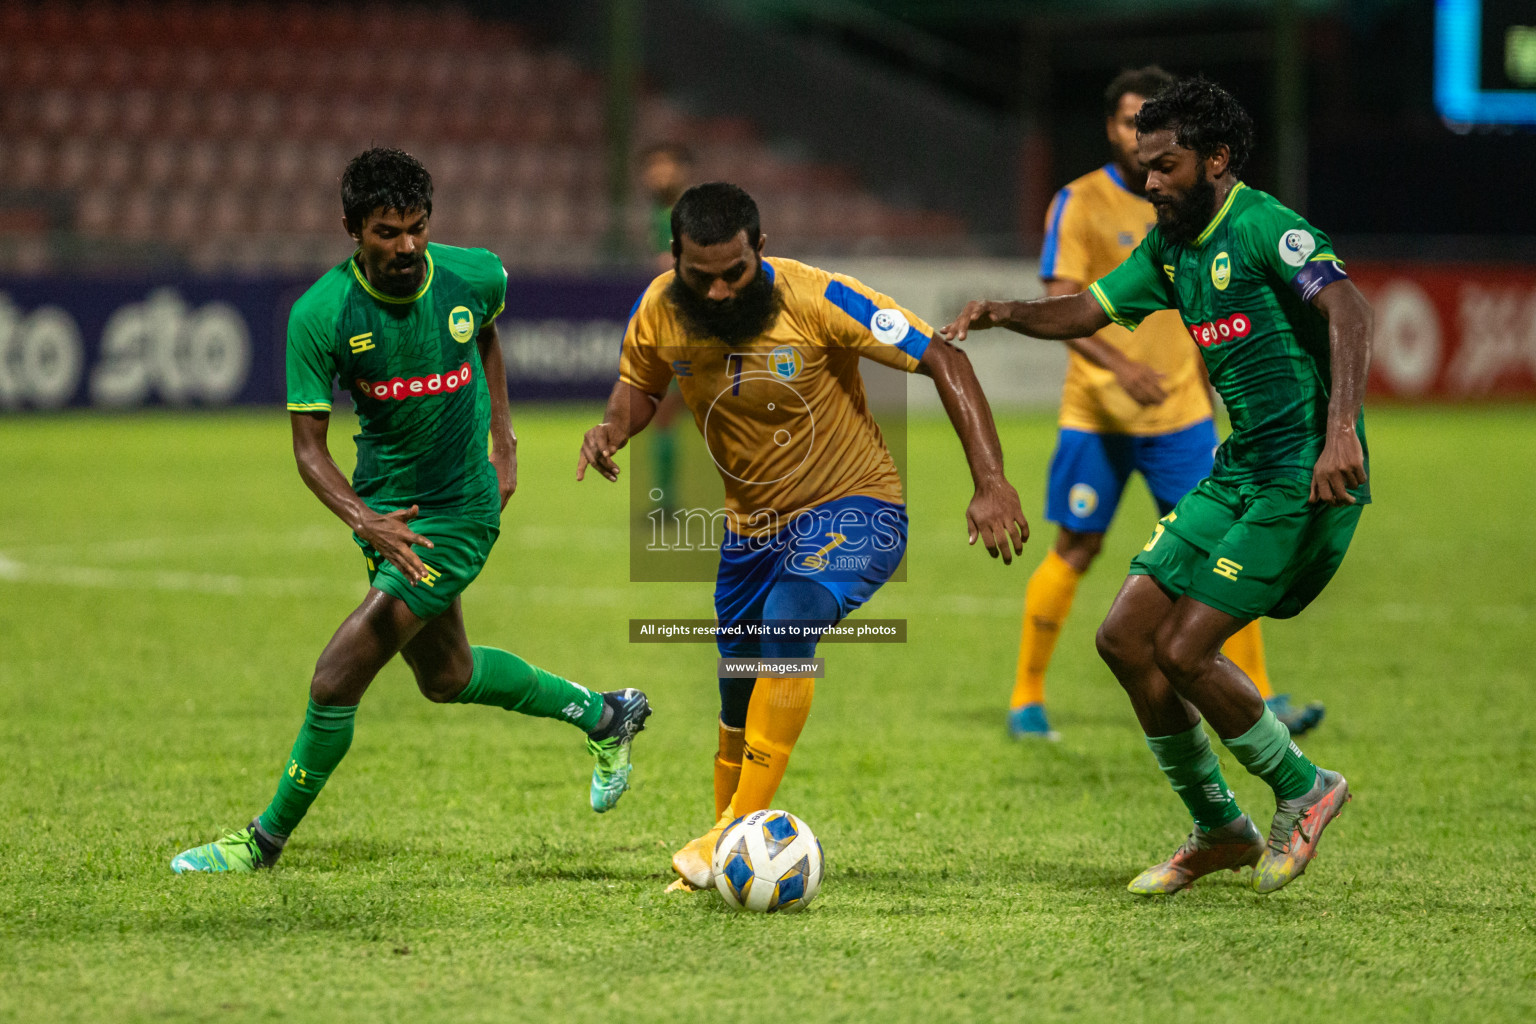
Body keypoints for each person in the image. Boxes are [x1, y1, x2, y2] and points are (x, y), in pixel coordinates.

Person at [170, 148, 651, 874]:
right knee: (447, 676)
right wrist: (364, 519)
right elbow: (308, 450)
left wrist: (504, 439)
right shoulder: (321, 315)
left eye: (416, 228)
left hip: (459, 515)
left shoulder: (476, 274)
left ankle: (262, 842)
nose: (406, 246)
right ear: (350, 228)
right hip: (386, 512)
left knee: (335, 680)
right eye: (387, 232)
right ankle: (606, 714)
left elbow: (483, 329)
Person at [944, 79, 1369, 895]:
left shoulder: (1263, 227)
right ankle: (1218, 827)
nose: (1150, 184)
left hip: (1301, 474)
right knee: (1124, 639)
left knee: (1184, 648)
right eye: (1144, 167)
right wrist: (1001, 311)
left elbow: (1351, 312)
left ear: (1216, 159)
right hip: (1239, 468)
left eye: (1167, 166)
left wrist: (1341, 431)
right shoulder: (1171, 248)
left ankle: (1305, 787)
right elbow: (1087, 312)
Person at [577, 182, 1029, 889]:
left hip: (856, 506)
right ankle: (724, 847)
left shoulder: (821, 297)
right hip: (749, 531)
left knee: (792, 620)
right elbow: (642, 383)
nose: (722, 291)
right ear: (676, 258)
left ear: (761, 249)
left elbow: (944, 356)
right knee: (735, 691)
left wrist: (991, 481)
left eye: (736, 272)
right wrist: (613, 428)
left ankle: (731, 833)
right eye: (704, 276)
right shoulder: (659, 307)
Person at [1008, 66, 1323, 742]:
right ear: (1111, 128)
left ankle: (1261, 695)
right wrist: (1120, 368)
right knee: (1077, 545)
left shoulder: (1194, 207)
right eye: (1124, 121)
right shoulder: (1080, 201)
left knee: (1229, 547)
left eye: (1143, 124)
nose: (1135, 139)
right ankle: (1026, 697)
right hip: (1098, 415)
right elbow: (1073, 302)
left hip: (1181, 416)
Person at [637, 143, 695, 515]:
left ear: (681, 171)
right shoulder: (663, 214)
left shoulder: (683, 215)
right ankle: (667, 502)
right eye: (652, 166)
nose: (657, 174)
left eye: (665, 166)